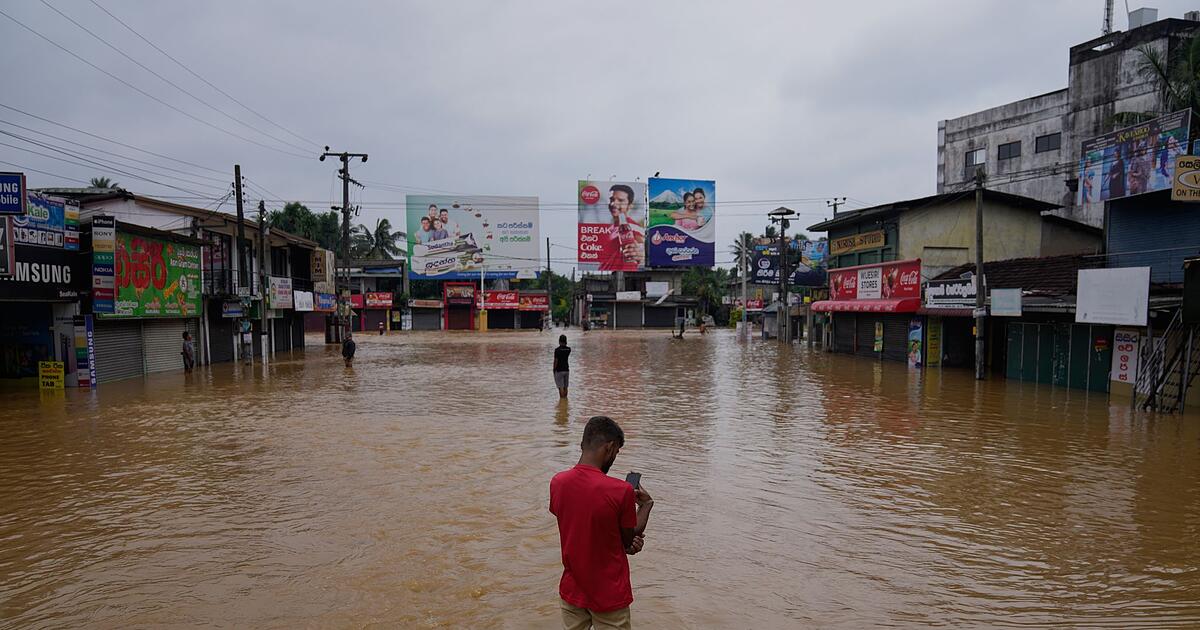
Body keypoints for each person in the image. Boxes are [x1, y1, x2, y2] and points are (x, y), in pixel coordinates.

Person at [550, 416, 653, 630]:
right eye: (616, 452)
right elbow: (627, 540)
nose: (614, 457)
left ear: (583, 444)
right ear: (610, 447)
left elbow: (579, 525)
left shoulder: (558, 483)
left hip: (572, 589)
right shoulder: (621, 491)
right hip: (609, 594)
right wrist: (646, 505)